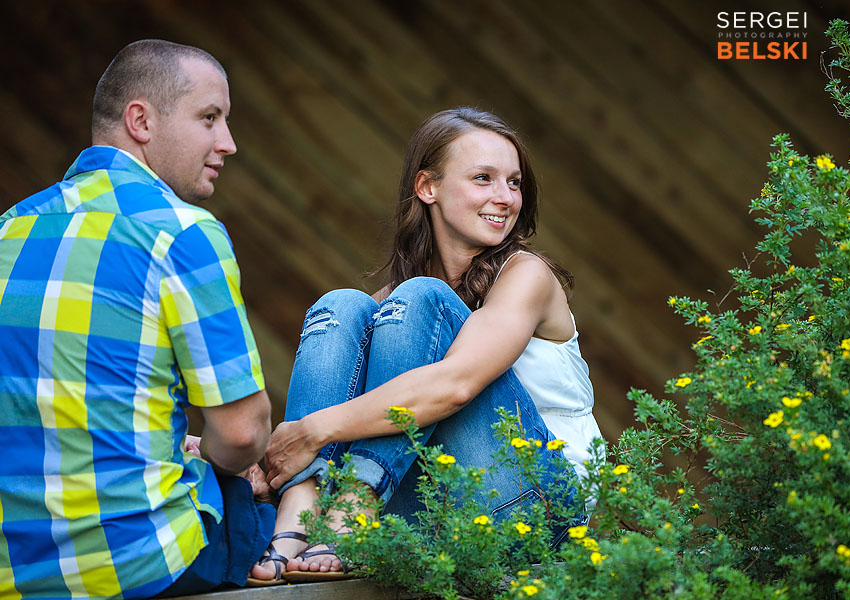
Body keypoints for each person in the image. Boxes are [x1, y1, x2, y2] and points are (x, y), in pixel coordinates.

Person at [250, 107, 603, 583]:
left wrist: (311, 431)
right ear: (427, 187)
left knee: (420, 297)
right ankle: (298, 514)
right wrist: (264, 460)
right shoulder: (398, 306)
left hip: (535, 511)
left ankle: (352, 508)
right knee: (341, 306)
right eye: (484, 178)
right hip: (431, 508)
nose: (505, 198)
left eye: (514, 182)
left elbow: (454, 385)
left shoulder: (526, 276)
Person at [0, 40, 273, 599]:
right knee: (288, 515)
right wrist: (213, 456)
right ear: (141, 121)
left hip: (14, 573)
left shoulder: (8, 229)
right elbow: (244, 434)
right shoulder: (182, 232)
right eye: (210, 118)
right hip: (139, 564)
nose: (228, 143)